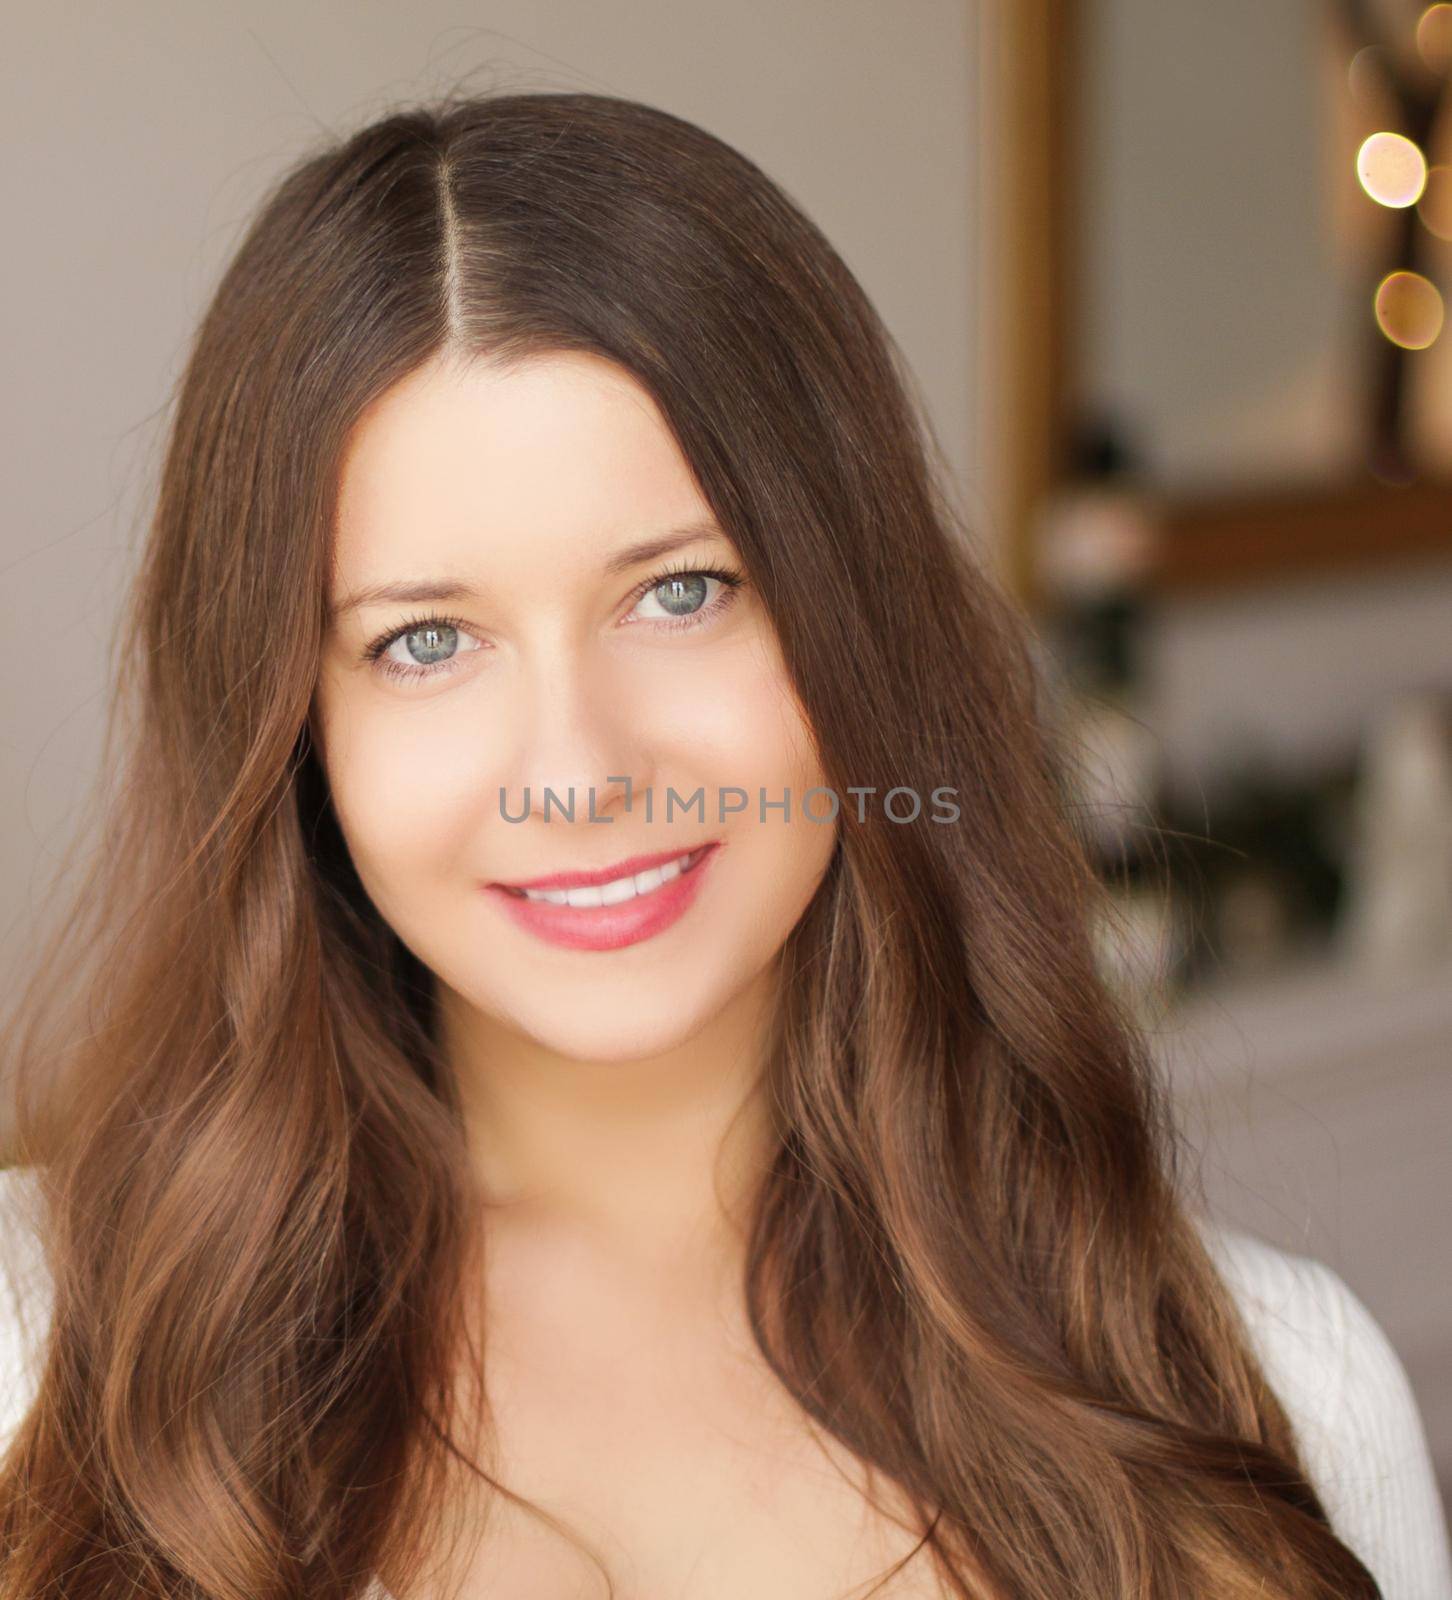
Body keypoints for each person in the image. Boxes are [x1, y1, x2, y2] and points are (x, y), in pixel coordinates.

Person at [0, 89, 1447, 1600]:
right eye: (426, 639)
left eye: (681, 594)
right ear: (296, 729)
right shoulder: (43, 1354)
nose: (580, 772)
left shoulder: (1277, 1378)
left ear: (853, 621)